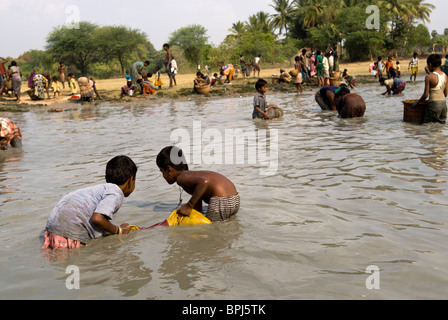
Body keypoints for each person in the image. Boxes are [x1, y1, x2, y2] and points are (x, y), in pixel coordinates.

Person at [41, 155, 137, 250]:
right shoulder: (116, 193)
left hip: (52, 227)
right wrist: (119, 230)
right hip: (72, 230)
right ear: (130, 180)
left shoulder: (98, 189)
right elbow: (97, 219)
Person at [156, 146, 239, 222]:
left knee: (213, 233)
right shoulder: (190, 175)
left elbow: (204, 182)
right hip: (234, 199)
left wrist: (189, 206)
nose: (163, 175)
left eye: (161, 171)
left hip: (221, 201)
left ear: (169, 170)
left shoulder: (181, 178)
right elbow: (198, 195)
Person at [414, 54, 447, 124]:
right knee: (440, 126)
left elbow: (425, 95)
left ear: (430, 64)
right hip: (444, 105)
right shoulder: (445, 76)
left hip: (434, 105)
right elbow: (446, 94)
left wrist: (417, 103)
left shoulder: (429, 77)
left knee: (428, 126)